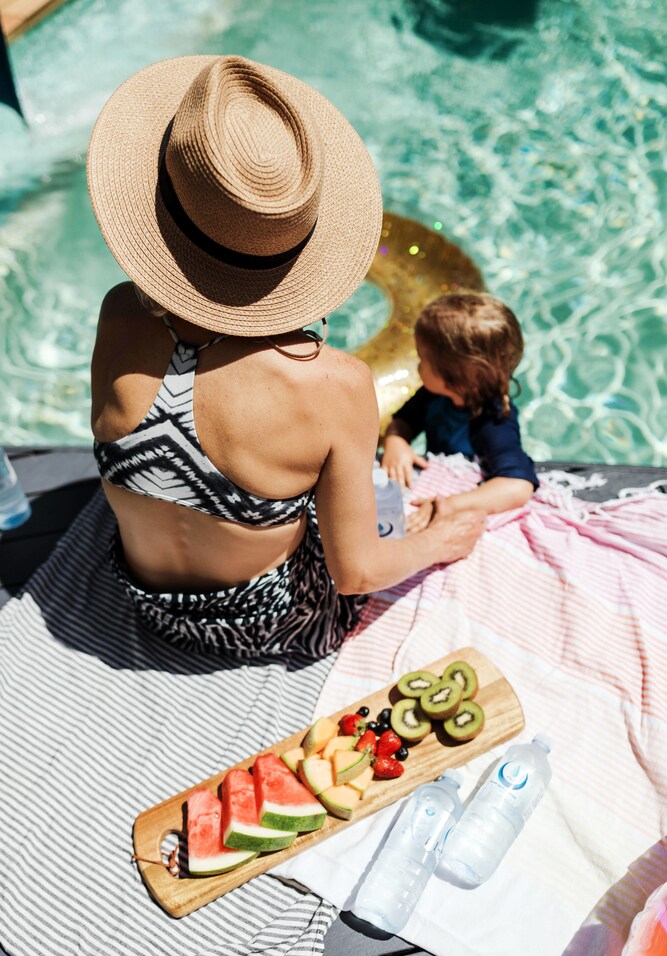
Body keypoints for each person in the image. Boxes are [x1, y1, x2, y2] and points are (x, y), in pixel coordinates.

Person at [87, 53, 485, 661]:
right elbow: (355, 575)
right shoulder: (333, 385)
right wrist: (439, 541)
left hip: (147, 603)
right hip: (278, 627)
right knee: (371, 492)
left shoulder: (120, 314)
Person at [381, 293, 539, 532]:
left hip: (460, 490)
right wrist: (396, 441)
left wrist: (452, 505)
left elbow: (518, 485)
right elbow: (404, 421)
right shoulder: (433, 394)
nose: (418, 366)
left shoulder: (493, 418)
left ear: (458, 376)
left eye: (423, 359)